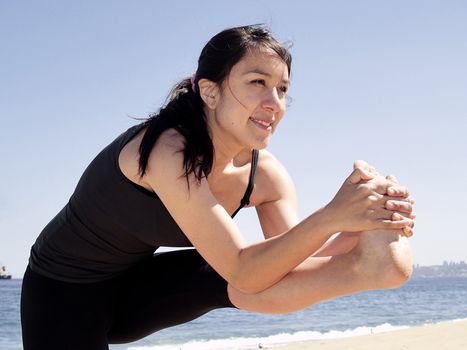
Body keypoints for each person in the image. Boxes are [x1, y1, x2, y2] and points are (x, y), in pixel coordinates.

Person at [21, 25, 416, 349]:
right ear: (210, 92)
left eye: (282, 89)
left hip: (139, 289)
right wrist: (332, 215)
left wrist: (356, 227)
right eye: (257, 82)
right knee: (242, 270)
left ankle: (368, 265)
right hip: (63, 292)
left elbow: (286, 267)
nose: (274, 102)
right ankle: (365, 268)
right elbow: (246, 269)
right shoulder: (166, 150)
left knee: (241, 277)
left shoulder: (267, 176)